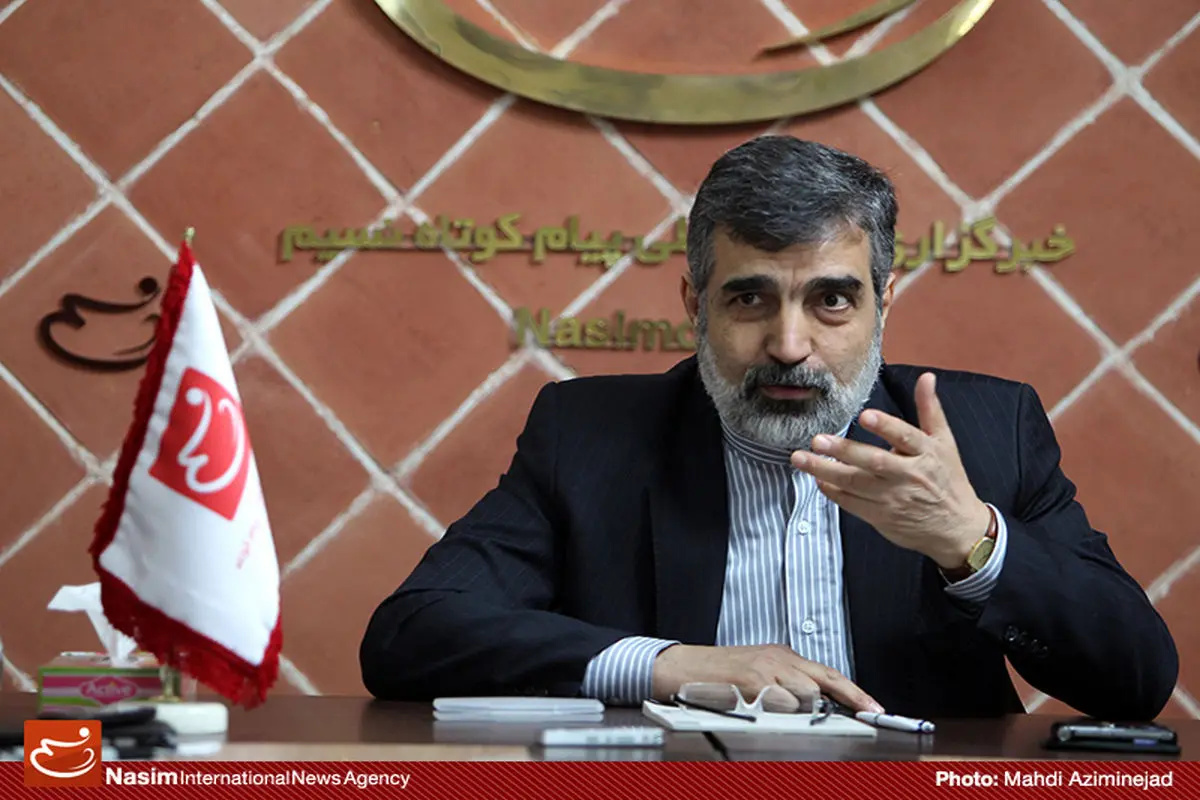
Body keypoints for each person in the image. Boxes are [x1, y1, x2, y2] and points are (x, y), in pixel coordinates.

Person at [360, 135, 1177, 721]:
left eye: (832, 300)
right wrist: (668, 665)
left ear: (883, 303)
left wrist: (973, 542)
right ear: (695, 305)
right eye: (750, 298)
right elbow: (412, 633)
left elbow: (1137, 678)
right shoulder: (590, 436)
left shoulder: (986, 431)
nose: (789, 345)